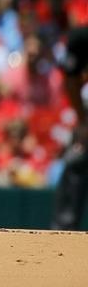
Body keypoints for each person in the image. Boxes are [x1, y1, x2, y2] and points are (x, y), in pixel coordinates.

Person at [52, 26, 88, 229]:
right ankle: (63, 233)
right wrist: (83, 121)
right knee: (77, 161)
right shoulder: (81, 38)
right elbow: (71, 81)